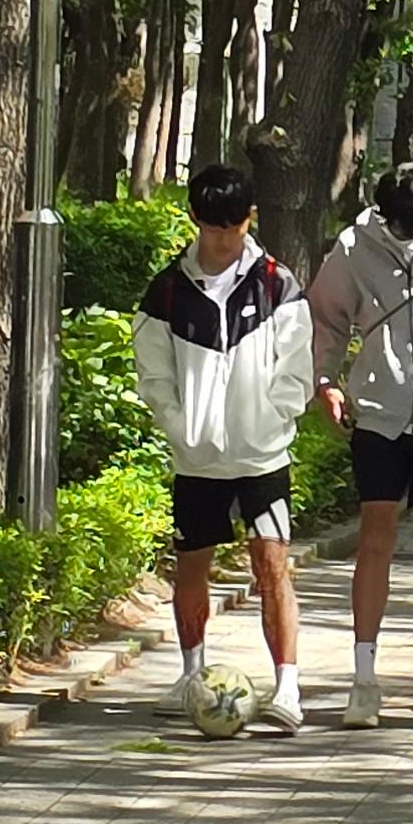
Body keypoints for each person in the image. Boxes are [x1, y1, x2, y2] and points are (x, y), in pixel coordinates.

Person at [135, 156, 316, 732]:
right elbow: (154, 374)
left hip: (263, 456)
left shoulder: (278, 284)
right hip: (197, 459)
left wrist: (270, 421)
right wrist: (181, 427)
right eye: (213, 226)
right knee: (192, 565)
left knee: (273, 565)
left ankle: (287, 685)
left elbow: (297, 369)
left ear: (250, 217)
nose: (223, 238)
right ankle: (192, 674)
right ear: (194, 218)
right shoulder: (167, 290)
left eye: (234, 225)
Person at [309, 161, 413, 725]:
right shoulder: (354, 247)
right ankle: (363, 676)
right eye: (400, 225)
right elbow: (327, 317)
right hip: (379, 410)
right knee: (374, 536)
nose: (409, 234)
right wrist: (325, 380)